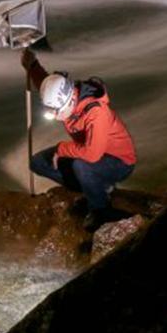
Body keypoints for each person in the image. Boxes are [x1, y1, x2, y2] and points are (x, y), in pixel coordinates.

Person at [21, 49, 137, 229]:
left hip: (119, 162)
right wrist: (31, 64)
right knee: (38, 162)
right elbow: (43, 82)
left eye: (55, 111)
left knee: (81, 166)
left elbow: (92, 155)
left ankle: (101, 210)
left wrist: (61, 149)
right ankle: (92, 188)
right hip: (87, 150)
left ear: (69, 102)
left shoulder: (96, 112)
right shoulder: (63, 95)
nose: (54, 115)